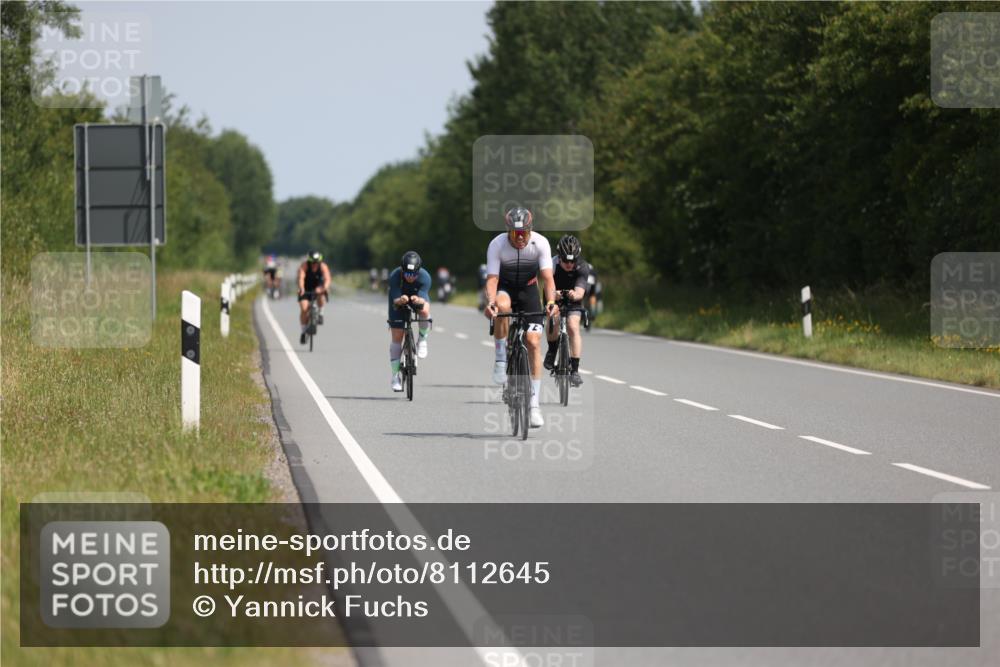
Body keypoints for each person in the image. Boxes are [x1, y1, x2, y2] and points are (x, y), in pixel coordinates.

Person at [483, 207, 557, 428]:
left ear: (530, 229)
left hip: (529, 292)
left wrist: (551, 302)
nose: (521, 238)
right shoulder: (497, 245)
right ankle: (500, 358)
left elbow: (548, 279)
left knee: (533, 342)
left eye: (524, 232)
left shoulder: (540, 243)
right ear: (508, 232)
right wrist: (490, 302)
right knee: (502, 305)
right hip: (505, 289)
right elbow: (492, 280)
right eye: (516, 234)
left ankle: (534, 405)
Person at [545, 235, 589, 387]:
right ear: (559, 257)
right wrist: (553, 295)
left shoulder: (583, 266)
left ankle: (575, 370)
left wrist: (574, 294)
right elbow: (547, 284)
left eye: (573, 261)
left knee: (572, 325)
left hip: (573, 299)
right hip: (553, 296)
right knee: (553, 319)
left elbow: (580, 292)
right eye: (566, 261)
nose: (569, 264)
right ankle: (551, 351)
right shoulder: (551, 263)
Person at [388, 251, 432, 391]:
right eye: (407, 274)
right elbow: (394, 297)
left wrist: (418, 300)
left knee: (425, 311)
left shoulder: (425, 277)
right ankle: (395, 376)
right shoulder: (395, 276)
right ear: (402, 270)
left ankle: (423, 339)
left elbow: (423, 296)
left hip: (416, 298)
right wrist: (400, 300)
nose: (410, 277)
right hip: (398, 301)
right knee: (397, 336)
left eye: (413, 274)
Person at [296, 250, 331, 344]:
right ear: (309, 261)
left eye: (317, 262)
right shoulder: (304, 266)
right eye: (312, 262)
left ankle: (321, 313)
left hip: (318, 288)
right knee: (304, 309)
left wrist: (324, 288)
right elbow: (301, 278)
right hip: (306, 289)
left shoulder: (323, 266)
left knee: (322, 294)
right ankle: (303, 331)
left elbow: (327, 279)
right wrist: (301, 288)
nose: (315, 264)